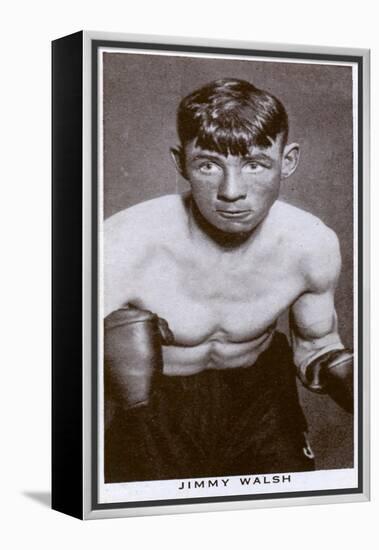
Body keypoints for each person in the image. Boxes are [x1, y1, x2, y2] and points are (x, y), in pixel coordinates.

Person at [103, 78, 353, 483]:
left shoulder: (311, 244)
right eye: (207, 165)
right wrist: (102, 358)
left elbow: (317, 347)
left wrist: (347, 375)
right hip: (153, 407)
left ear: (287, 162)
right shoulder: (123, 243)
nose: (231, 192)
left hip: (259, 395)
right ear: (180, 161)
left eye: (255, 164)